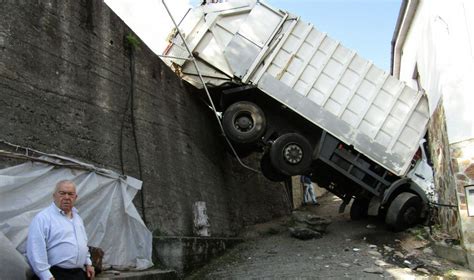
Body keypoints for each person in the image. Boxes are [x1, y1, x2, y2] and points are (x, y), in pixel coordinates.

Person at [27, 180, 95, 280]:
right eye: (62, 193)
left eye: (70, 194)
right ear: (54, 196)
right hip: (55, 274)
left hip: (78, 274)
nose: (67, 197)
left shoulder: (77, 218)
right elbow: (35, 251)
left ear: (75, 197)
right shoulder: (43, 218)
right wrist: (46, 276)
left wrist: (88, 263)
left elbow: (82, 244)